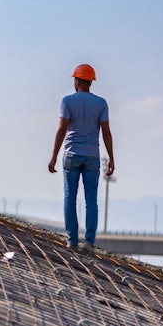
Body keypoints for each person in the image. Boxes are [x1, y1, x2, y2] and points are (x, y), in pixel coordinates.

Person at [48, 63, 115, 252]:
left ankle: (72, 241)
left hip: (71, 155)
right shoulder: (101, 104)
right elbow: (106, 133)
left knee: (70, 198)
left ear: (77, 81)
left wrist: (53, 157)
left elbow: (62, 129)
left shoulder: (67, 101)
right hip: (92, 156)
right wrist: (111, 158)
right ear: (91, 83)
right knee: (91, 200)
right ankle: (90, 242)